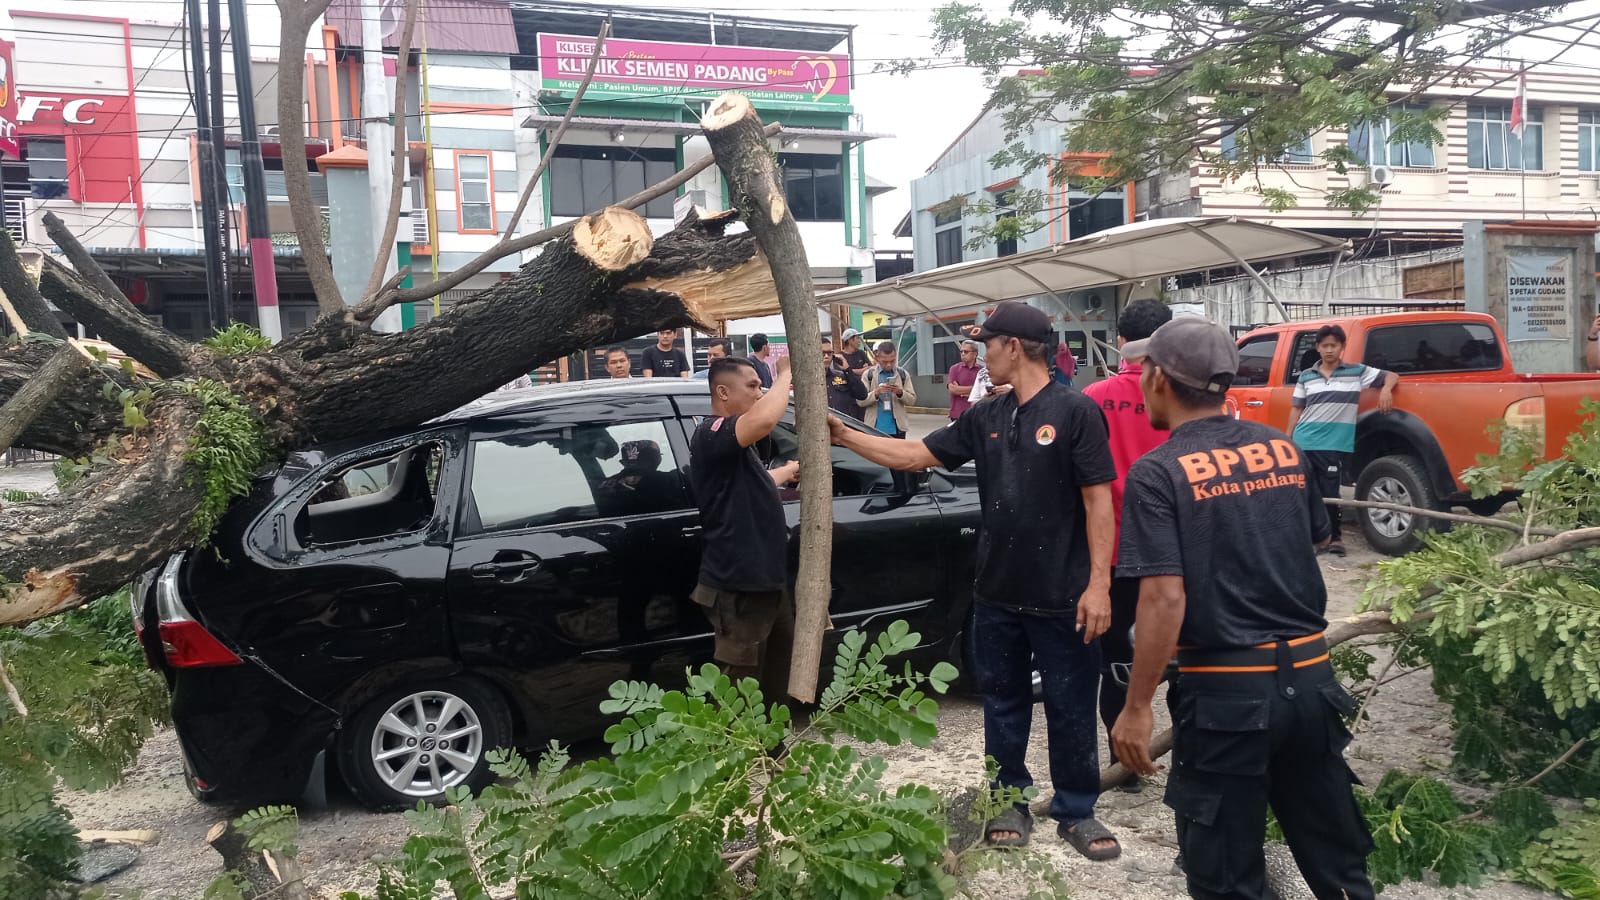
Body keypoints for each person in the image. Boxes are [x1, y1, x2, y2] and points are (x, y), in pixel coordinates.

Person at [829, 300, 1120, 859]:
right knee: (1003, 700)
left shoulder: (1076, 411)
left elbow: (1098, 503)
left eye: (988, 343)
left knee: (1071, 702)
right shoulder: (987, 415)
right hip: (997, 592)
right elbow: (915, 454)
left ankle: (1077, 809)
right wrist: (844, 435)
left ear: (1014, 346)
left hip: (1064, 593)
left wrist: (1099, 584)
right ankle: (1008, 798)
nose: (982, 352)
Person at [1109, 317, 1375, 900]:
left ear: (1155, 378)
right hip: (1311, 685)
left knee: (1227, 876)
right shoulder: (1281, 447)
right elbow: (1303, 539)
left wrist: (1136, 706)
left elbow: (1163, 597)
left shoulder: (1158, 473)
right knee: (1339, 865)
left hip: (1227, 698)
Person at [1080, 298, 1173, 791]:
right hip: (1174, 553)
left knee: (1115, 662)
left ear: (1120, 341)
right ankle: (1190, 755)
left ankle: (1123, 768)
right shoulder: (1184, 393)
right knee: (1186, 654)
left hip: (1113, 553)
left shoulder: (1095, 395)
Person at [690, 354, 801, 693]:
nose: (759, 393)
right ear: (723, 392)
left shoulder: (738, 447)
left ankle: (773, 746)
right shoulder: (711, 432)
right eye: (752, 386)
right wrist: (784, 376)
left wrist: (789, 471)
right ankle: (737, 747)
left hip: (768, 582)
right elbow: (765, 420)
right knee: (739, 687)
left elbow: (752, 481)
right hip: (739, 586)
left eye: (761, 385)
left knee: (778, 676)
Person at [1285, 324, 1397, 557]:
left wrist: (1386, 390)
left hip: (1333, 444)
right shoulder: (1307, 376)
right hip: (1304, 441)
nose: (1329, 350)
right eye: (1324, 346)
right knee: (1307, 491)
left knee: (1331, 493)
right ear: (1317, 348)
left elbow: (1392, 376)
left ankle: (1335, 538)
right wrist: (1288, 439)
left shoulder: (1356, 372)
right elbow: (1296, 409)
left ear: (1342, 347)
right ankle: (1312, 538)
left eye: (1333, 346)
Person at [859, 341, 917, 438]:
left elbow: (912, 400)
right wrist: (876, 393)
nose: (889, 365)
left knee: (898, 453)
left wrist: (900, 393)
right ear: (877, 358)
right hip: (874, 428)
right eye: (885, 362)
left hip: (898, 428)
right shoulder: (869, 375)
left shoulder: (902, 374)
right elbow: (860, 401)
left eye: (892, 361)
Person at [823, 336, 868, 418]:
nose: (826, 356)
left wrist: (847, 370)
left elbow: (862, 395)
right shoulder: (808, 380)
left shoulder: (842, 376)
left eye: (829, 353)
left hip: (844, 426)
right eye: (822, 353)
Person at [947, 339, 983, 420]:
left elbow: (984, 391)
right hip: (957, 414)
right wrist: (975, 389)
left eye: (966, 352)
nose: (963, 354)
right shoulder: (954, 369)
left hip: (976, 414)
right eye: (961, 351)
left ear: (975, 353)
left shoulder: (982, 371)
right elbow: (952, 389)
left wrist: (961, 389)